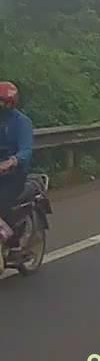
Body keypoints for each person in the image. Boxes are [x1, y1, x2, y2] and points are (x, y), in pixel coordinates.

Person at [0, 81, 34, 243]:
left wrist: (12, 161)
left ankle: (11, 241)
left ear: (11, 103)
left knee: (2, 202)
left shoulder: (22, 122)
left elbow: (26, 150)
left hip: (14, 174)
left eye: (2, 101)